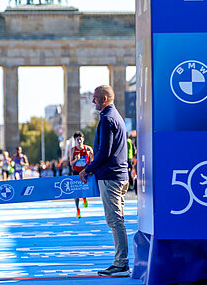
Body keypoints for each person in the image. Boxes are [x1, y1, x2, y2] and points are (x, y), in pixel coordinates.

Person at [79, 85, 129, 276]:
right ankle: (121, 262)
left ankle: (121, 264)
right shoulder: (116, 116)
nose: (93, 101)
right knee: (118, 220)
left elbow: (104, 152)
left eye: (95, 97)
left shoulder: (107, 119)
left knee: (114, 221)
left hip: (111, 177)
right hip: (119, 175)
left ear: (105, 99)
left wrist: (87, 169)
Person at [69, 131, 93, 218]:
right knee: (76, 192)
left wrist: (91, 169)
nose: (79, 141)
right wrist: (76, 159)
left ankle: (84, 198)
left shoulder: (88, 149)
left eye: (80, 139)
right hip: (76, 172)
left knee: (85, 188)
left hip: (85, 171)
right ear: (75, 140)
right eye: (77, 140)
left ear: (83, 139)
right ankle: (78, 209)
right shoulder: (73, 150)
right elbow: (71, 163)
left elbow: (93, 160)